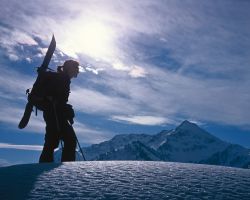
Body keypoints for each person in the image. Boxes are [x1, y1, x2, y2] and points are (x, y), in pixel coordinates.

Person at [39, 60, 80, 163]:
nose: (78, 71)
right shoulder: (62, 78)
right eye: (76, 68)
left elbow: (57, 98)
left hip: (53, 113)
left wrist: (65, 108)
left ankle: (44, 166)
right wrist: (64, 108)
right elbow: (54, 97)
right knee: (68, 139)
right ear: (70, 68)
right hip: (54, 113)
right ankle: (67, 169)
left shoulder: (62, 78)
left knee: (52, 140)